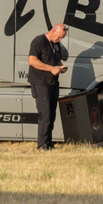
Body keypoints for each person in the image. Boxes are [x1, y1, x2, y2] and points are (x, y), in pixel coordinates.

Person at [28, 23, 68, 151]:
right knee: (45, 113)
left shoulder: (56, 45)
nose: (60, 40)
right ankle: (42, 145)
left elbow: (57, 60)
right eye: (59, 37)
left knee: (52, 114)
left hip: (53, 83)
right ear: (53, 31)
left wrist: (61, 67)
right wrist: (51, 68)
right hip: (40, 82)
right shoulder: (38, 41)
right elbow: (32, 60)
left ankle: (48, 142)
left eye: (62, 38)